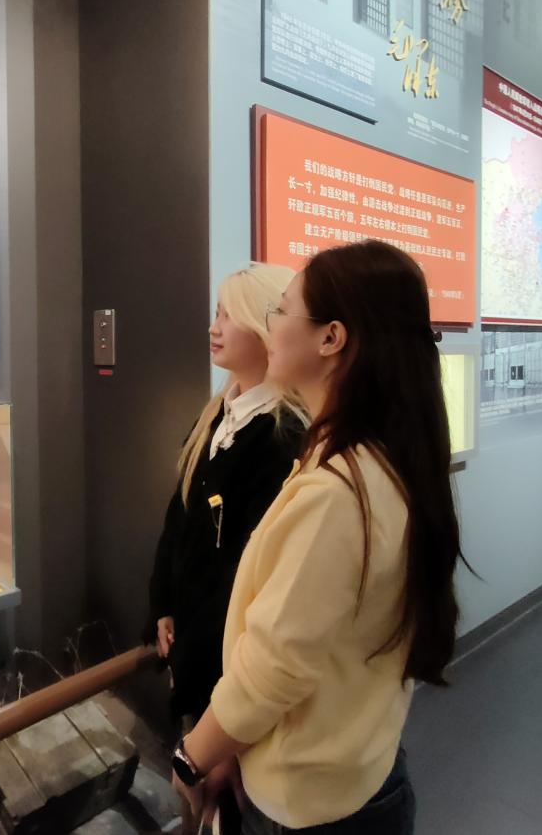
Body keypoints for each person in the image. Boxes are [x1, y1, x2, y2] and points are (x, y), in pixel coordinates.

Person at [170, 240, 467, 834]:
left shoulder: (336, 492)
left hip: (313, 807)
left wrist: (193, 755)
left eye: (281, 310)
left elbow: (276, 664)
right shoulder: (369, 460)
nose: (271, 325)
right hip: (355, 771)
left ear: (331, 338)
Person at [145, 264, 308, 833]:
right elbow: (179, 516)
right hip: (197, 655)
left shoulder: (283, 437)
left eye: (229, 315)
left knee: (230, 807)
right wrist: (163, 603)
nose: (214, 327)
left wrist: (223, 729)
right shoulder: (217, 415)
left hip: (233, 672)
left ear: (267, 328)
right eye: (217, 313)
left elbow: (249, 577)